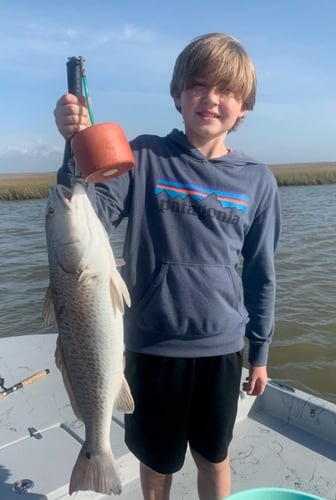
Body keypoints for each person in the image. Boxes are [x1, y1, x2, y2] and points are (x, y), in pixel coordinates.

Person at [54, 33, 281, 500]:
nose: (212, 98)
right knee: (156, 463)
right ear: (177, 94)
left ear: (246, 107)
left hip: (221, 349)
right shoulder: (143, 156)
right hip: (151, 346)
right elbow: (84, 210)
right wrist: (75, 143)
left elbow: (261, 272)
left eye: (227, 90)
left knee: (214, 458)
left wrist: (259, 351)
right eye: (198, 84)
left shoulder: (258, 180)